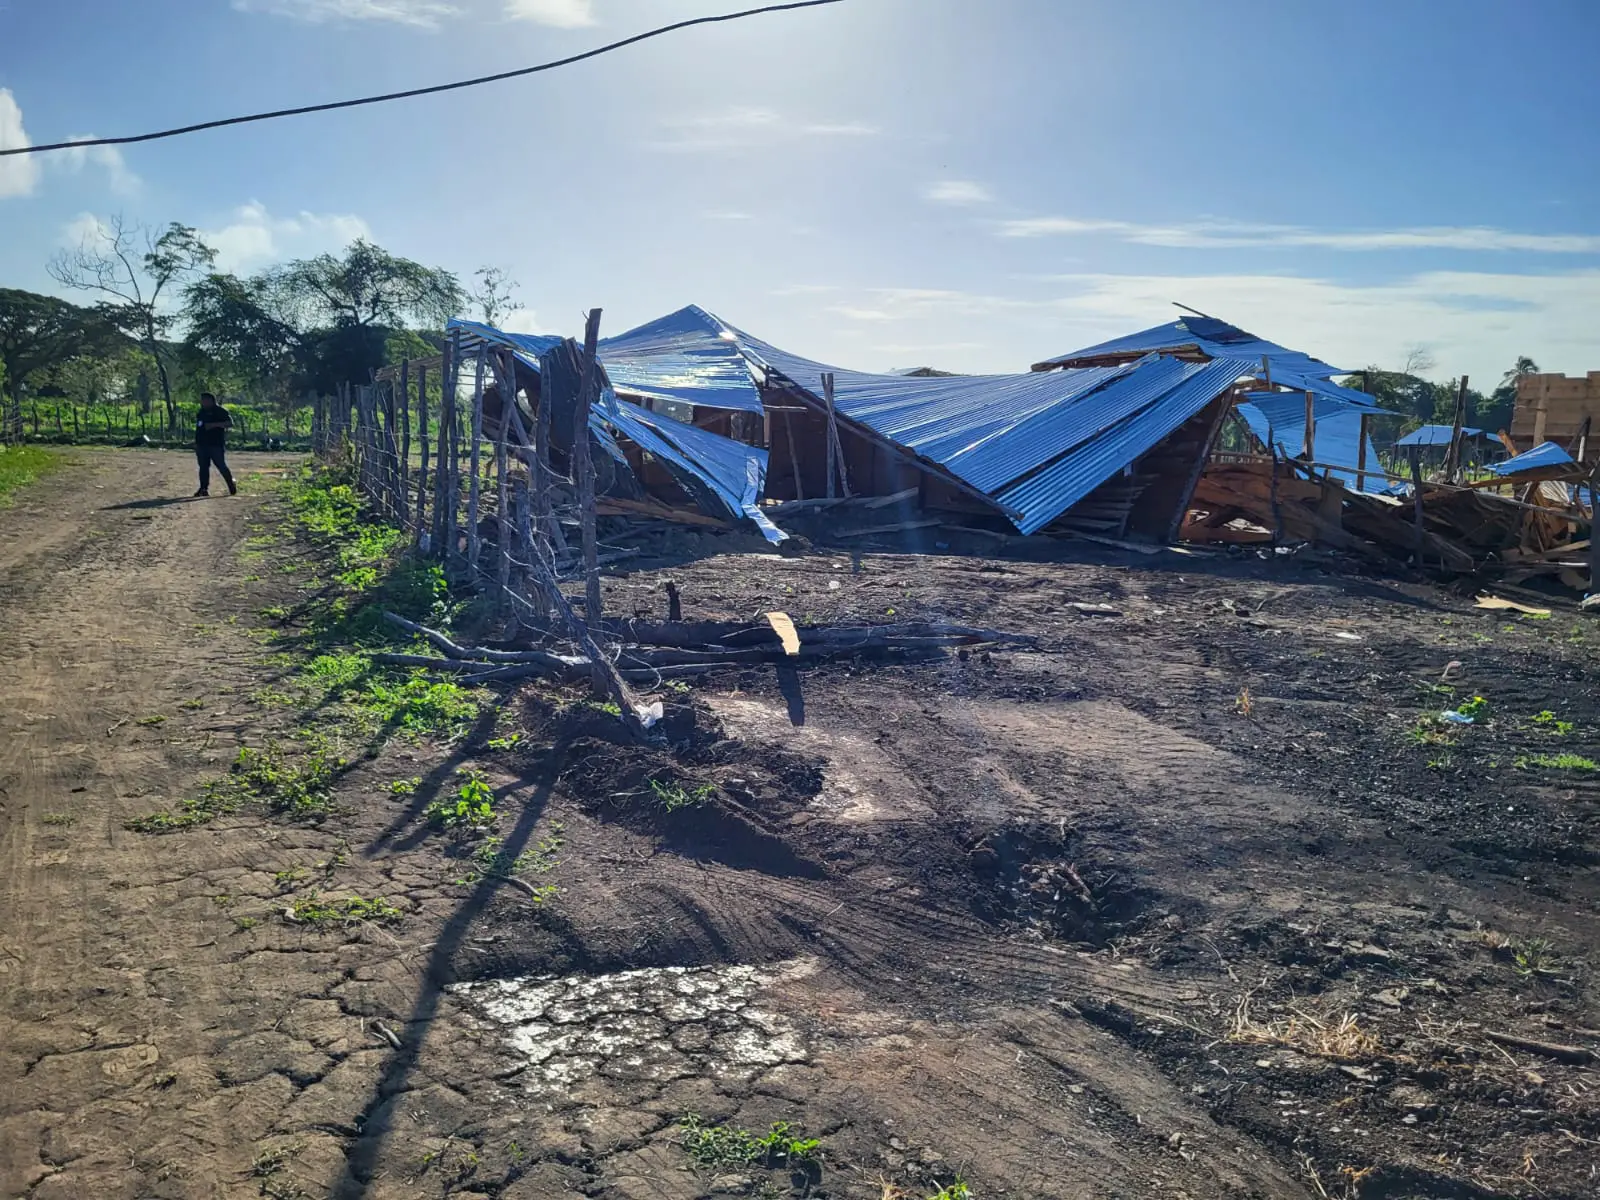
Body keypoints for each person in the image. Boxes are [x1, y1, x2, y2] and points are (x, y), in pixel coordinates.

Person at [193, 392, 236, 497]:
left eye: (205, 400)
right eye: (202, 400)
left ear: (211, 401)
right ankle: (203, 489)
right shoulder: (201, 412)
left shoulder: (220, 411)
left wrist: (214, 425)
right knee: (203, 467)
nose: (203, 402)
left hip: (215, 444)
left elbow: (230, 423)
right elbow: (199, 428)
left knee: (221, 466)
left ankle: (231, 485)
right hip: (202, 445)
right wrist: (196, 442)